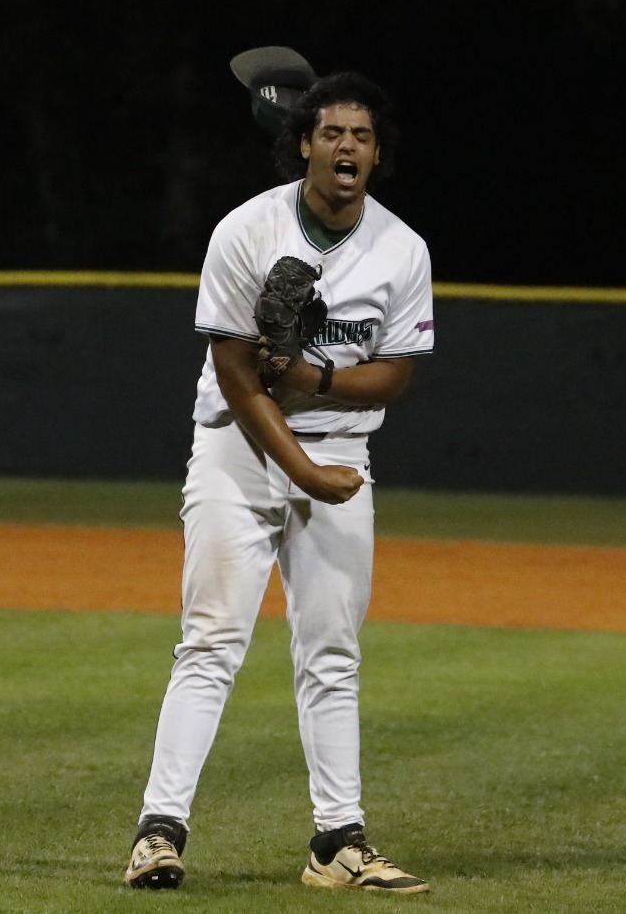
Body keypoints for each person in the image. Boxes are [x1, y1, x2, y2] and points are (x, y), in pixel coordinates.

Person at [124, 71, 434, 895]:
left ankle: (338, 840)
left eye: (361, 136)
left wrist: (312, 377)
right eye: (331, 132)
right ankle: (159, 831)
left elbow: (397, 373)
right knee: (212, 639)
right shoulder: (245, 230)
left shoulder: (402, 249)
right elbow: (234, 371)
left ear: (377, 153)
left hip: (342, 454)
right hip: (239, 450)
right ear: (303, 141)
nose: (346, 147)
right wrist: (297, 467)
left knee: (332, 649)